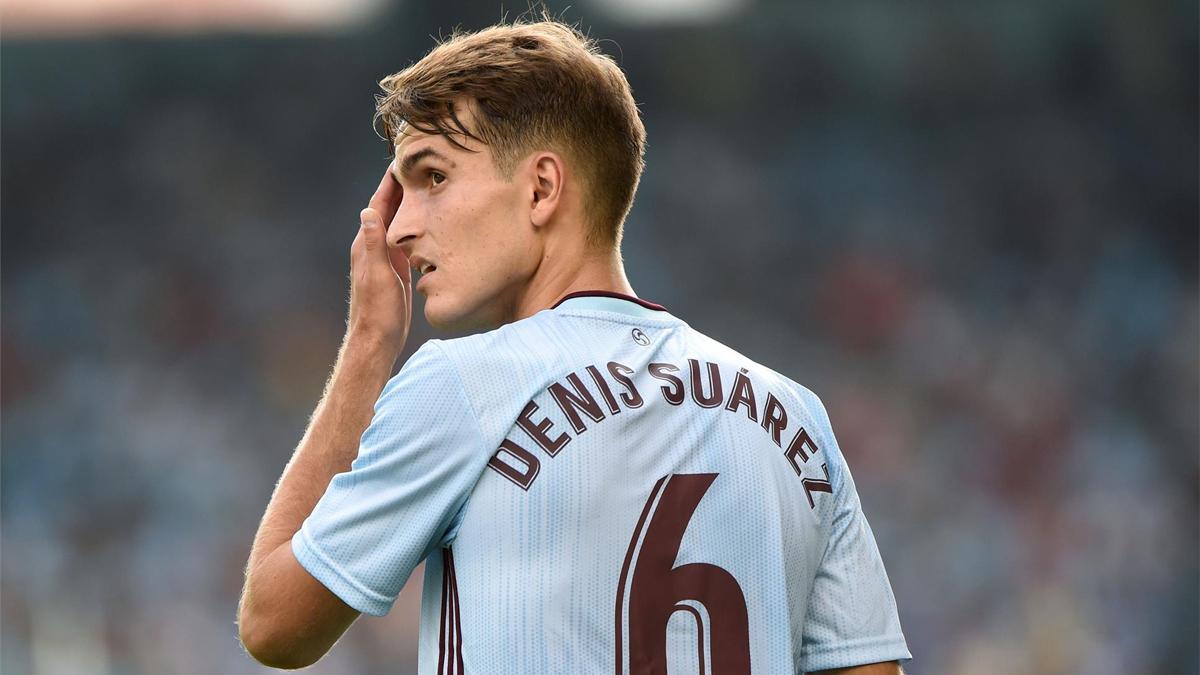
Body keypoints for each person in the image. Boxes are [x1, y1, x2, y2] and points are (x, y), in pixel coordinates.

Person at [236, 18, 910, 675]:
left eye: (432, 177)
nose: (399, 228)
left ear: (541, 188)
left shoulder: (462, 385)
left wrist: (367, 343)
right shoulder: (797, 417)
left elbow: (274, 626)